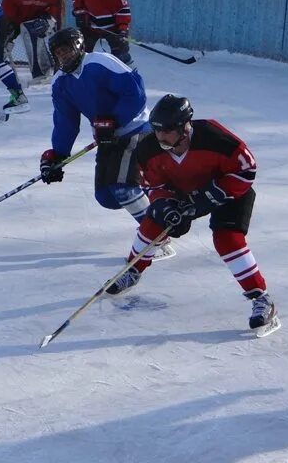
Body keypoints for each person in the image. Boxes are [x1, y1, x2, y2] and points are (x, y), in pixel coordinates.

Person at [106, 94, 278, 333]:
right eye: (156, 130)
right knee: (154, 220)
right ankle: (133, 269)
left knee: (227, 239)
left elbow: (246, 170)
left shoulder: (216, 138)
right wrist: (165, 204)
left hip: (227, 191)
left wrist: (210, 196)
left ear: (184, 127)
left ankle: (261, 298)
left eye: (166, 131)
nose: (160, 137)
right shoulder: (148, 149)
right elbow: (153, 186)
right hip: (182, 191)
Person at [39, 27, 175, 260]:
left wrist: (113, 120)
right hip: (109, 138)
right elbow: (65, 122)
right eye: (59, 53)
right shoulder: (60, 83)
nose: (64, 56)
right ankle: (157, 193)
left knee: (123, 187)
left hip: (136, 129)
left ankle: (158, 236)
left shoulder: (100, 62)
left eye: (67, 50)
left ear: (80, 46)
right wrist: (58, 155)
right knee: (107, 197)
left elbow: (135, 93)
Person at [1, 0, 64, 82]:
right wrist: (8, 24)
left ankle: (41, 71)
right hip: (18, 20)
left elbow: (55, 11)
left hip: (41, 19)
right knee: (2, 38)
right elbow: (7, 10)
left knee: (32, 34)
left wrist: (47, 19)